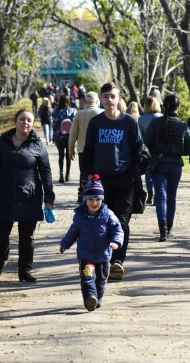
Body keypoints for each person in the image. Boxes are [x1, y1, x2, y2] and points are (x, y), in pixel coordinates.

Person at [0, 108, 55, 282]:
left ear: (32, 124)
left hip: (29, 196)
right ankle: (2, 259)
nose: (25, 123)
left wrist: (49, 198)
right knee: (0, 234)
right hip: (3, 196)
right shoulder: (2, 142)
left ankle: (24, 270)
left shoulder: (37, 144)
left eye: (29, 120)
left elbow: (46, 173)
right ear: (15, 121)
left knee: (27, 237)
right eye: (22, 119)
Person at [83, 82, 143, 280]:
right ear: (101, 99)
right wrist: (89, 174)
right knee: (101, 221)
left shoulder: (129, 122)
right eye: (106, 96)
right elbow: (88, 150)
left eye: (113, 96)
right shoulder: (95, 122)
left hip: (124, 179)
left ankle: (118, 261)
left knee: (121, 221)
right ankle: (103, 260)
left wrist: (132, 173)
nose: (109, 100)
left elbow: (139, 151)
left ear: (119, 99)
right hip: (100, 181)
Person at [60, 175, 124, 311]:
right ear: (85, 200)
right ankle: (90, 297)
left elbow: (117, 229)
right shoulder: (80, 216)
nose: (94, 203)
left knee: (101, 279)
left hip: (103, 255)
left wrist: (116, 241)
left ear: (102, 199)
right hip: (86, 254)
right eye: (90, 199)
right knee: (88, 277)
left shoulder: (108, 214)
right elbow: (73, 232)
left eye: (97, 199)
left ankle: (98, 297)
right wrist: (65, 244)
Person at [143, 94, 190, 241]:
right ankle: (170, 228)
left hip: (158, 163)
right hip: (175, 165)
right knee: (172, 196)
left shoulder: (155, 122)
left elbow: (146, 142)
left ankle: (162, 230)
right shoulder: (183, 125)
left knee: (160, 196)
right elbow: (188, 149)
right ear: (178, 107)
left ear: (164, 106)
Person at [69, 91, 103, 202]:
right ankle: (98, 192)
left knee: (84, 171)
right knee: (98, 171)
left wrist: (71, 149)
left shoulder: (79, 114)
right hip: (100, 148)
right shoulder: (102, 113)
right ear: (97, 101)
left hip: (82, 148)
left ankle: (82, 192)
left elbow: (73, 133)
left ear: (86, 101)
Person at [138, 96, 163, 205]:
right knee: (160, 171)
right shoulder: (162, 117)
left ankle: (150, 193)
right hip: (160, 148)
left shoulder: (142, 119)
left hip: (147, 148)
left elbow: (140, 136)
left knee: (149, 171)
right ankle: (158, 194)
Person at [52, 95, 77, 183]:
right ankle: (67, 174)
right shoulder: (73, 111)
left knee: (61, 156)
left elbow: (54, 126)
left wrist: (53, 137)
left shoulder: (56, 112)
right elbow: (75, 125)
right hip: (70, 136)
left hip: (59, 136)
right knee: (68, 156)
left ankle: (61, 174)